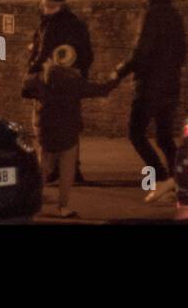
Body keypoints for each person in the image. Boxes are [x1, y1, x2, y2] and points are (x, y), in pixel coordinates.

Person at [113, 0, 187, 204]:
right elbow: (182, 53)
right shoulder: (175, 16)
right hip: (170, 86)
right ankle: (179, 182)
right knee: (165, 137)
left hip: (149, 87)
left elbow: (140, 52)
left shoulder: (151, 15)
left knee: (135, 133)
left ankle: (162, 179)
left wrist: (120, 71)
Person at [21, 44, 118, 218]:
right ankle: (63, 207)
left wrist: (35, 63)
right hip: (68, 131)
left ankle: (34, 204)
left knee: (43, 169)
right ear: (72, 62)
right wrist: (115, 77)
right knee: (67, 172)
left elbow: (25, 90)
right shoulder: (75, 82)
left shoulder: (42, 77)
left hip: (47, 131)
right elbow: (101, 90)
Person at [27, 0, 94, 183]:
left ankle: (50, 169)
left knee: (44, 125)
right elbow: (87, 54)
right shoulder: (76, 23)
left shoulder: (50, 25)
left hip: (50, 83)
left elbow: (43, 53)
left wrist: (31, 69)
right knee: (70, 126)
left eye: (49, 5)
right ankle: (71, 169)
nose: (47, 8)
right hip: (71, 82)